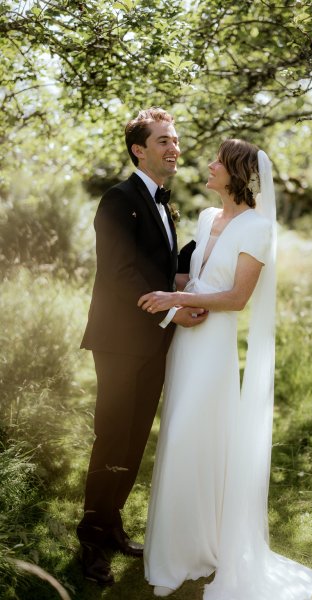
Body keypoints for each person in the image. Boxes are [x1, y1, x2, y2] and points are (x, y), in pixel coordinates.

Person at [138, 139, 312, 599]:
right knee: (179, 438)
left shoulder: (258, 228)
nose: (207, 166)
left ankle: (193, 552)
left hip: (214, 348)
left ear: (237, 173)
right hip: (185, 341)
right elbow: (196, 274)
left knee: (193, 435)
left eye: (217, 163)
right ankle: (186, 547)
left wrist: (177, 298)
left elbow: (236, 299)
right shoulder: (207, 218)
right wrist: (171, 289)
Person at [77, 107, 207, 586]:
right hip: (118, 342)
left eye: (175, 141)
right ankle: (90, 542)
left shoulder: (162, 201)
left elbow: (160, 267)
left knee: (133, 440)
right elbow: (119, 273)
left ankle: (111, 525)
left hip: (152, 343)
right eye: (164, 141)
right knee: (112, 436)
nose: (175, 149)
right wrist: (173, 309)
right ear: (139, 149)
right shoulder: (117, 200)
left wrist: (206, 249)